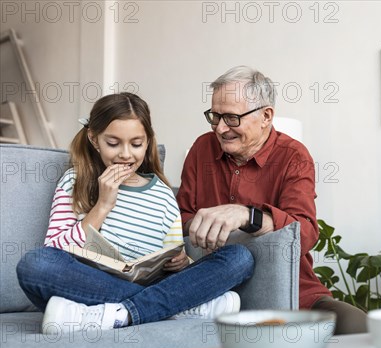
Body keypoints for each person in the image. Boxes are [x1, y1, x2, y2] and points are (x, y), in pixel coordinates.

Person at [17, 92, 254, 334]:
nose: (126, 154)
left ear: (148, 141)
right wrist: (102, 205)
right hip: (91, 285)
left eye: (136, 144)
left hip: (153, 282)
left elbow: (175, 262)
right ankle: (173, 310)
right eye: (113, 143)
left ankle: (111, 315)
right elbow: (54, 249)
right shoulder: (75, 181)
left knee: (239, 258)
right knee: (35, 264)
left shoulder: (162, 195)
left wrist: (181, 262)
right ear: (94, 139)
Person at [177, 66, 367, 334]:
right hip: (212, 290)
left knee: (361, 328)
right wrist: (203, 225)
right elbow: (179, 219)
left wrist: (246, 215)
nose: (220, 128)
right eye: (214, 116)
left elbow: (306, 233)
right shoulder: (201, 149)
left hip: (293, 292)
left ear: (266, 116)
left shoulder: (294, 156)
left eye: (231, 118)